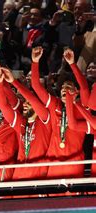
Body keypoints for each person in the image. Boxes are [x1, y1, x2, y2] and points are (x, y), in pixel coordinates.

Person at [31, 46, 88, 178]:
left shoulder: (82, 107)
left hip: (73, 164)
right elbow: (36, 86)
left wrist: (72, 64)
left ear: (76, 92)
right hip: (53, 162)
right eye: (62, 87)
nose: (65, 89)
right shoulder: (55, 104)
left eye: (69, 87)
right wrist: (35, 62)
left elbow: (85, 87)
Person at [0, 65, 52, 180]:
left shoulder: (45, 120)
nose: (25, 104)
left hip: (38, 178)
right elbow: (3, 106)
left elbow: (33, 100)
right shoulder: (21, 122)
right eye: (24, 102)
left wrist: (14, 82)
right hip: (18, 176)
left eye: (28, 102)